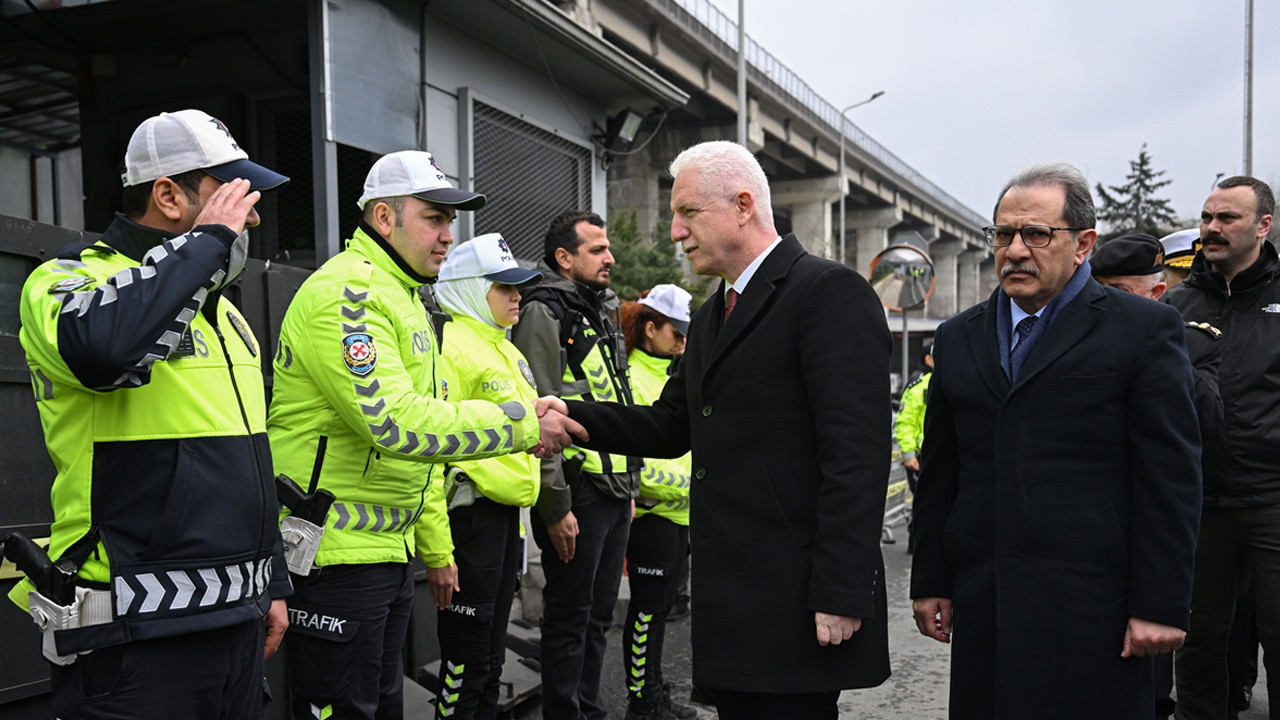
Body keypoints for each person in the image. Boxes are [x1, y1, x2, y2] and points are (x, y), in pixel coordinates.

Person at [546, 140, 893, 720]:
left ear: (742, 204)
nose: (676, 231)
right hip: (732, 596)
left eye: (688, 213)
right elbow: (671, 424)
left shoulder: (826, 293)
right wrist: (571, 417)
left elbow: (856, 455)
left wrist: (840, 587)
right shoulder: (714, 313)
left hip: (796, 592)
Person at [267, 150, 582, 720]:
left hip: (382, 550)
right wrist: (519, 423)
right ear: (384, 218)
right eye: (434, 218)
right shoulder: (350, 294)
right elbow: (398, 422)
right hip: (336, 556)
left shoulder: (404, 297)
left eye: (448, 220)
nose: (447, 235)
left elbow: (433, 431)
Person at [12, 108, 292, 718]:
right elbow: (103, 351)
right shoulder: (67, 280)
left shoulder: (226, 313)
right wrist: (208, 243)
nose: (253, 214)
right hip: (133, 635)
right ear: (167, 195)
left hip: (236, 624)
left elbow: (245, 463)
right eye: (235, 193)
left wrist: (270, 584)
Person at [910, 163, 1203, 718]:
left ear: (1083, 244)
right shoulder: (957, 337)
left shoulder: (1141, 329)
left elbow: (1171, 477)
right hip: (986, 606)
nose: (1016, 250)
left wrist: (1162, 604)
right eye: (1003, 234)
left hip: (1095, 611)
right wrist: (930, 579)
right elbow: (942, 471)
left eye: (1037, 234)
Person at [509, 210, 641, 720]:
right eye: (597, 250)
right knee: (570, 616)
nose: (609, 258)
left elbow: (618, 401)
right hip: (579, 491)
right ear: (564, 258)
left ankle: (589, 709)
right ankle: (567, 713)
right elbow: (541, 417)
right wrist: (555, 504)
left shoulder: (599, 307)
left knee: (598, 615)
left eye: (608, 248)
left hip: (613, 489)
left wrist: (629, 486)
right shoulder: (546, 310)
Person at [1091, 233, 1225, 720]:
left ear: (1155, 293)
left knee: (1166, 655)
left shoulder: (1189, 338)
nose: (1104, 300)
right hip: (1100, 519)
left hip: (1169, 510)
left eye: (1120, 291)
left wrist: (1160, 345)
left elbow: (1206, 419)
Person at [1163, 175, 1280, 720]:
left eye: (1227, 218)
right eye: (1207, 217)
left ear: (1263, 225)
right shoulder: (1177, 305)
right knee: (1199, 638)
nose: (1211, 228)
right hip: (1200, 502)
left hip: (1272, 500)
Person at [429, 232, 543, 720]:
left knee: (491, 662)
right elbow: (431, 452)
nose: (517, 295)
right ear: (472, 289)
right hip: (467, 520)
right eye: (503, 286)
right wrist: (438, 548)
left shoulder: (506, 348)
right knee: (466, 664)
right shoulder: (451, 347)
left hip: (502, 519)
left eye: (517, 286)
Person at [616, 284, 698, 720]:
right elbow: (635, 459)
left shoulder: (674, 373)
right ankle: (642, 701)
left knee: (661, 610)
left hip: (679, 514)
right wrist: (687, 486)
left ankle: (654, 690)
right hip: (652, 516)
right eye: (677, 333)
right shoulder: (630, 375)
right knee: (647, 613)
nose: (683, 342)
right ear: (651, 328)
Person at [894, 343, 933, 554]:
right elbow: (905, 421)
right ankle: (917, 546)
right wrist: (908, 455)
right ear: (928, 358)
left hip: (938, 454)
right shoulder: (918, 384)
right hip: (920, 456)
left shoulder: (943, 378)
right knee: (923, 504)